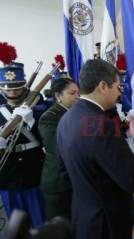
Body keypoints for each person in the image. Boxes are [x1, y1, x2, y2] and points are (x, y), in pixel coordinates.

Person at [56, 59, 134, 239]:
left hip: (84, 216)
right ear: (103, 86)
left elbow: (64, 173)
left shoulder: (66, 118)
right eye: (117, 86)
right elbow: (133, 178)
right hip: (106, 225)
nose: (120, 92)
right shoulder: (101, 124)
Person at [0, 62, 45, 227]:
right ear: (2, 89)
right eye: (8, 89)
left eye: (17, 88)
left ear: (24, 86)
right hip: (7, 177)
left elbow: (49, 140)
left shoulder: (40, 110)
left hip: (33, 173)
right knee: (16, 229)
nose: (13, 92)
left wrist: (32, 121)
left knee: (39, 224)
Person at [38, 77, 79, 220]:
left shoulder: (75, 113)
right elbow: (58, 147)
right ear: (58, 96)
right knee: (60, 231)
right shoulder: (49, 118)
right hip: (58, 182)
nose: (77, 97)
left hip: (74, 179)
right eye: (72, 93)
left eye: (78, 93)